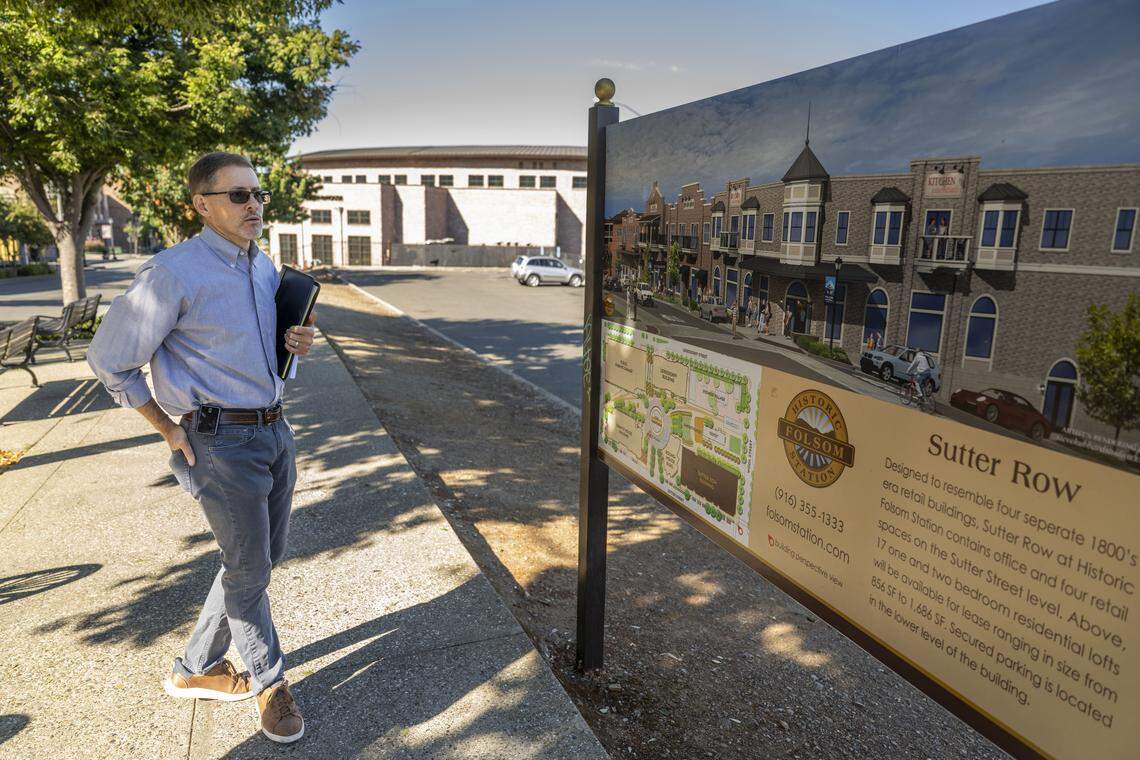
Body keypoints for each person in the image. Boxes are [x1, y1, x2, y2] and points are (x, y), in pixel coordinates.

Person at [86, 152, 316, 745]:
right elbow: (109, 361)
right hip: (218, 440)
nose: (254, 205)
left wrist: (294, 343)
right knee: (249, 567)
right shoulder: (173, 273)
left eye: (259, 195)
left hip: (274, 430)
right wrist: (167, 428)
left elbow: (264, 347)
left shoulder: (261, 266)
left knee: (258, 560)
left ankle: (193, 669)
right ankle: (269, 682)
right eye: (238, 195)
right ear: (202, 204)